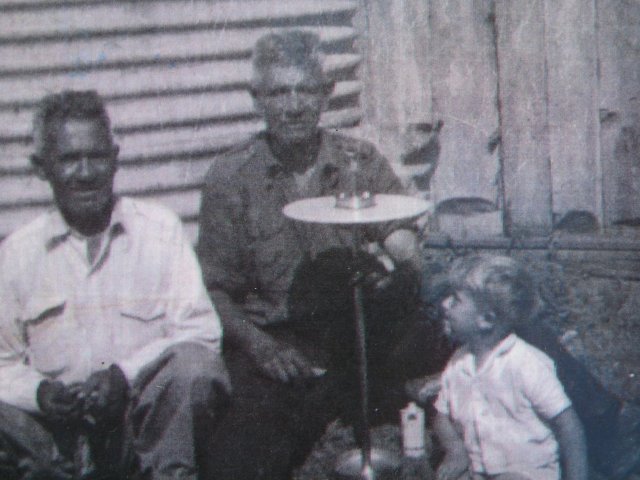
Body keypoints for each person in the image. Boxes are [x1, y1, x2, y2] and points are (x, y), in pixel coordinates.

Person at [197, 30, 423, 479]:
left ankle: (598, 425)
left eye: (306, 90)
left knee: (481, 333)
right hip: (280, 339)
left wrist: (401, 266)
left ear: (326, 94)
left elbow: (401, 234)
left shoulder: (357, 159)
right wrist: (260, 347)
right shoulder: (230, 177)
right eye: (280, 92)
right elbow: (215, 288)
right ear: (257, 100)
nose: (295, 105)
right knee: (238, 456)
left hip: (360, 325)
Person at [0, 90, 230, 480]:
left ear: (116, 157)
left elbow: (201, 332)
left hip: (139, 428)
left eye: (97, 156)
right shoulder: (18, 252)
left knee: (195, 366)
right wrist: (39, 393)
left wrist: (123, 376)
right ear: (41, 168)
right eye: (69, 160)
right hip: (55, 436)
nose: (86, 172)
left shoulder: (159, 230)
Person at [433, 254, 588, 480]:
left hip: (527, 474)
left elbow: (569, 427)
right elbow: (441, 414)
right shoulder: (459, 362)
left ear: (486, 320)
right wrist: (456, 449)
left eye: (455, 300)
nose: (444, 305)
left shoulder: (525, 364)